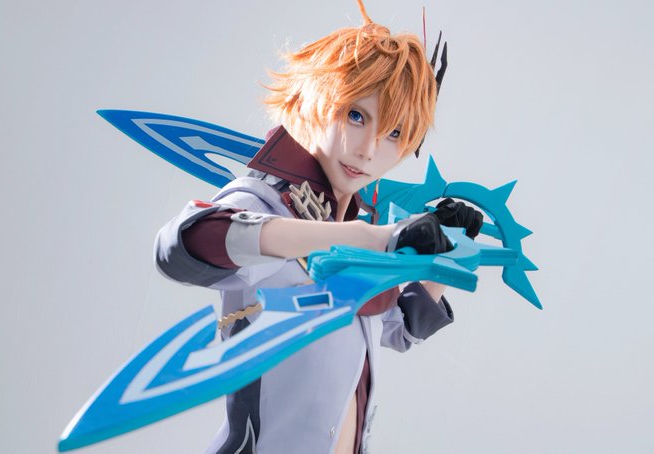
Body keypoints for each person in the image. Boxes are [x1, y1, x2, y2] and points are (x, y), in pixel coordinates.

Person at [154, 1, 482, 452]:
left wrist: (440, 257)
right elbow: (181, 245)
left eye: (394, 133)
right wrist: (367, 238)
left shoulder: (361, 228)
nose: (368, 151)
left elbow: (400, 328)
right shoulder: (266, 203)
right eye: (356, 116)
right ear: (317, 101)